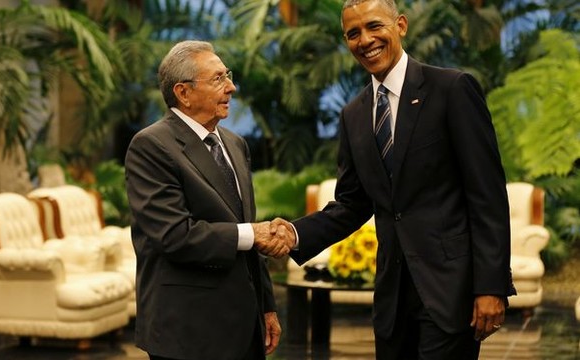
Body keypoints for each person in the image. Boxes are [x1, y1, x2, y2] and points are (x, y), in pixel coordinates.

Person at [272, 0, 516, 358]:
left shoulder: (452, 89)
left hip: (450, 293)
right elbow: (352, 204)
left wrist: (491, 287)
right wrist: (294, 234)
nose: (365, 39)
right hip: (392, 302)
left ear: (400, 25)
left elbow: (487, 196)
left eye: (374, 26)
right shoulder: (353, 114)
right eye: (353, 33)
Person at [125, 40, 290, 360]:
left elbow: (245, 227)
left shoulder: (235, 143)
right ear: (183, 93)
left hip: (245, 326)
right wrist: (252, 233)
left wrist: (267, 306)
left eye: (227, 75)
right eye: (218, 79)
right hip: (188, 332)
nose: (231, 87)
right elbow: (174, 236)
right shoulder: (150, 146)